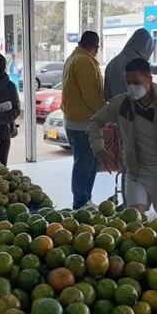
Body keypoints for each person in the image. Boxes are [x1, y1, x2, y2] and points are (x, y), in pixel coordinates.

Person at [89, 58, 157, 217]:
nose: (132, 87)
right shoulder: (122, 103)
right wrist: (100, 150)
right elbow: (96, 121)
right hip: (135, 172)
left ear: (149, 79)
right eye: (128, 83)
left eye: (136, 82)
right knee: (134, 221)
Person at [62, 31, 105, 209]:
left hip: (80, 121)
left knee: (90, 163)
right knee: (85, 164)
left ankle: (85, 199)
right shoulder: (84, 62)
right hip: (81, 124)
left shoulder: (75, 58)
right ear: (96, 47)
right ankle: (80, 203)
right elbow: (91, 95)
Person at [103, 28, 154, 100]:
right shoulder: (140, 65)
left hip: (116, 109)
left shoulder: (111, 63)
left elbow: (107, 96)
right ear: (147, 47)